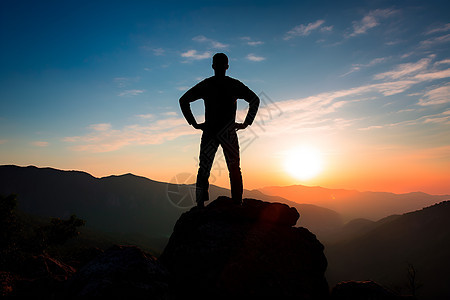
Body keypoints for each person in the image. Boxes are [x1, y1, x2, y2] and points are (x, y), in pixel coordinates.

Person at [179, 53, 260, 207]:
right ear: (227, 67)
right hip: (228, 132)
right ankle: (237, 203)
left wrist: (194, 123)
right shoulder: (234, 84)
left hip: (210, 131)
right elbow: (254, 100)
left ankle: (200, 205)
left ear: (213, 66)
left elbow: (183, 100)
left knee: (204, 167)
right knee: (234, 167)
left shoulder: (206, 85)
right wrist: (246, 123)